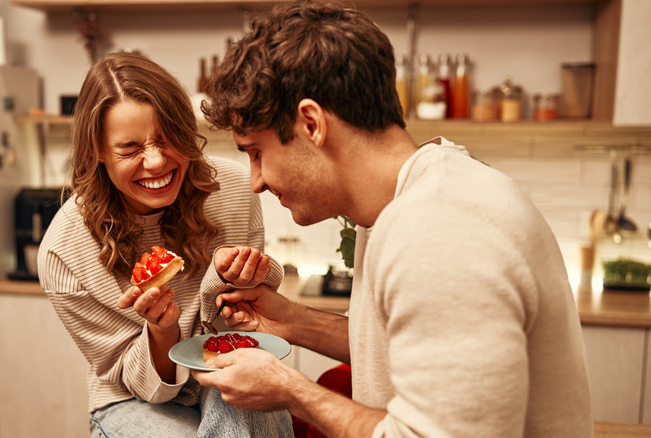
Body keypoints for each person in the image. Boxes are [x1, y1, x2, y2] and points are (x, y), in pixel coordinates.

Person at [192, 1, 593, 437]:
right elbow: (417, 352)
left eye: (256, 153)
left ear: (311, 124)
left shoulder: (438, 228)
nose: (256, 182)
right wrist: (293, 321)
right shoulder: (411, 196)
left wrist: (292, 391)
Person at [37, 51, 293, 438]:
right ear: (97, 153)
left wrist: (250, 270)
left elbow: (250, 320)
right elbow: (133, 381)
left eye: (166, 138)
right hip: (131, 398)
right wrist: (162, 331)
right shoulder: (63, 252)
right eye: (130, 148)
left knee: (251, 400)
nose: (156, 162)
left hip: (221, 359)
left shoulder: (236, 190)